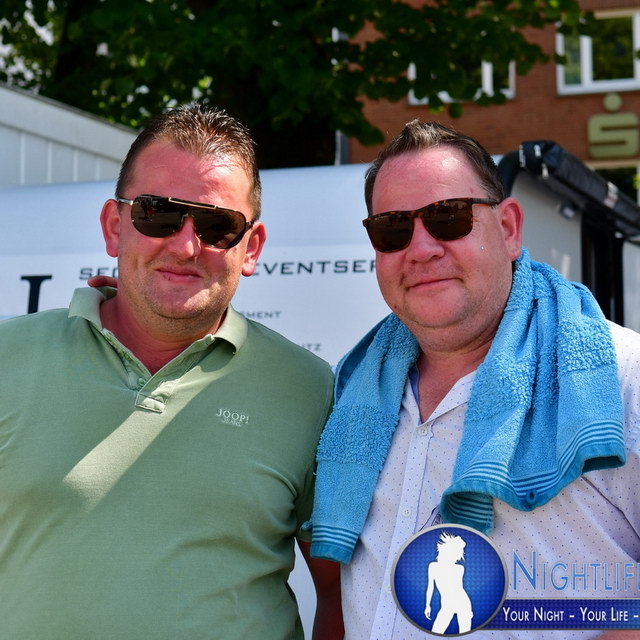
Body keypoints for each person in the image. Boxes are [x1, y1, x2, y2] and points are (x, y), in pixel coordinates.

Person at [0, 104, 342, 639]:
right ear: (114, 227)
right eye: (157, 214)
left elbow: (345, 595)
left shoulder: (311, 390)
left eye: (217, 225)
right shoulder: (8, 358)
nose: (185, 246)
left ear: (251, 248)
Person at [310, 120, 640, 639]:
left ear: (508, 228)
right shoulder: (349, 395)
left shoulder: (620, 380)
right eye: (393, 228)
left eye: (448, 217)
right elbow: (337, 593)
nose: (421, 249)